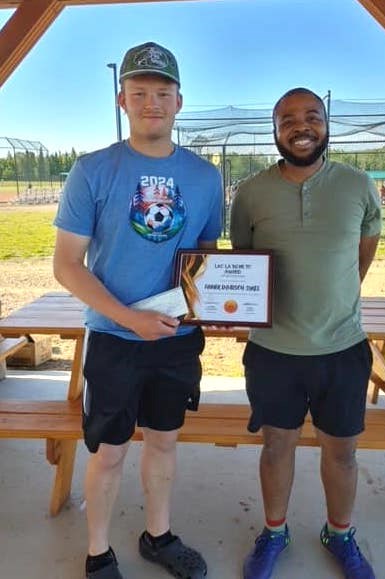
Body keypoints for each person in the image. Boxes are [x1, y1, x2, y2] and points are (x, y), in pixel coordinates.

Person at [53, 41, 222, 579]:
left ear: (179, 101)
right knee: (109, 452)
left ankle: (158, 536)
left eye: (163, 92)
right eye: (140, 91)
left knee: (165, 443)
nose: (152, 101)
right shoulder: (92, 170)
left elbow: (205, 257)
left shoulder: (204, 176)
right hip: (114, 340)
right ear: (122, 100)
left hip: (174, 341)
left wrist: (213, 302)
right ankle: (98, 552)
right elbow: (67, 266)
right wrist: (130, 319)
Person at [230, 87, 381, 579]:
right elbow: (246, 264)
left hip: (342, 349)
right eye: (288, 119)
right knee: (277, 447)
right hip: (273, 351)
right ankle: (275, 531)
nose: (301, 126)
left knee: (343, 452)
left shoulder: (359, 185)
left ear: (326, 123)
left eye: (312, 116)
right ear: (274, 130)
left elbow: (363, 252)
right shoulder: (251, 192)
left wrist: (337, 296)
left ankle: (340, 534)